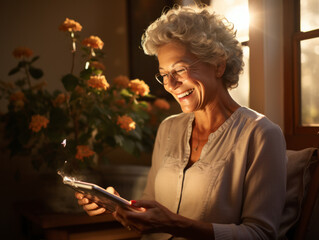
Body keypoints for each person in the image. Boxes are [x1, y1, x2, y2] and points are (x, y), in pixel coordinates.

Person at [75, 4, 287, 240]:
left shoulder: (261, 134)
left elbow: (261, 235)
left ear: (218, 65)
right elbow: (150, 206)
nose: (170, 84)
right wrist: (119, 205)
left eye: (180, 70)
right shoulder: (168, 128)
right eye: (164, 74)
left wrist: (175, 224)